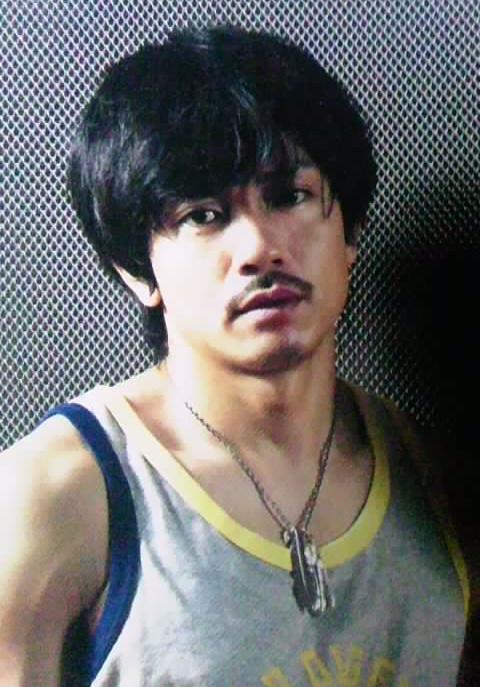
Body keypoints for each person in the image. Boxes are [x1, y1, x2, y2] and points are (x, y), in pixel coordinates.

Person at [0, 24, 477, 687]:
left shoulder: (443, 484)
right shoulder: (55, 497)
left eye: (290, 196)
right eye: (203, 215)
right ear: (137, 270)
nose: (258, 247)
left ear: (349, 233)